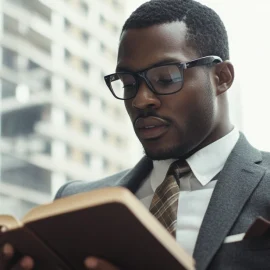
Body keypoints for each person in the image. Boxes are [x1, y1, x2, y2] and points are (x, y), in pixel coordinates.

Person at [1, 0, 270, 269]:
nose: (140, 101)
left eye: (166, 78)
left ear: (222, 77)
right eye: (129, 84)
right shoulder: (74, 205)